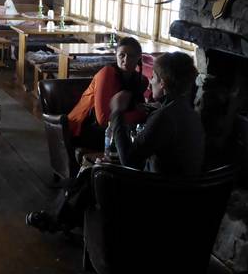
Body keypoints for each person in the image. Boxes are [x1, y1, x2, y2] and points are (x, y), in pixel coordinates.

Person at [26, 51, 205, 233]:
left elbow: (129, 160)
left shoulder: (164, 116)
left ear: (163, 83)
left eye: (153, 77)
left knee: (95, 172)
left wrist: (117, 112)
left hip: (157, 193)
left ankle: (59, 219)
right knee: (96, 170)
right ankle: (63, 218)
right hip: (180, 191)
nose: (150, 82)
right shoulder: (189, 112)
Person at [64, 36, 149, 151]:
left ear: (139, 58)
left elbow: (140, 108)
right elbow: (103, 120)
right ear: (116, 55)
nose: (126, 60)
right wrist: (140, 115)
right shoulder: (107, 74)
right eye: (122, 55)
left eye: (131, 56)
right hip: (83, 128)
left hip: (113, 128)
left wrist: (142, 113)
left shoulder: (141, 80)